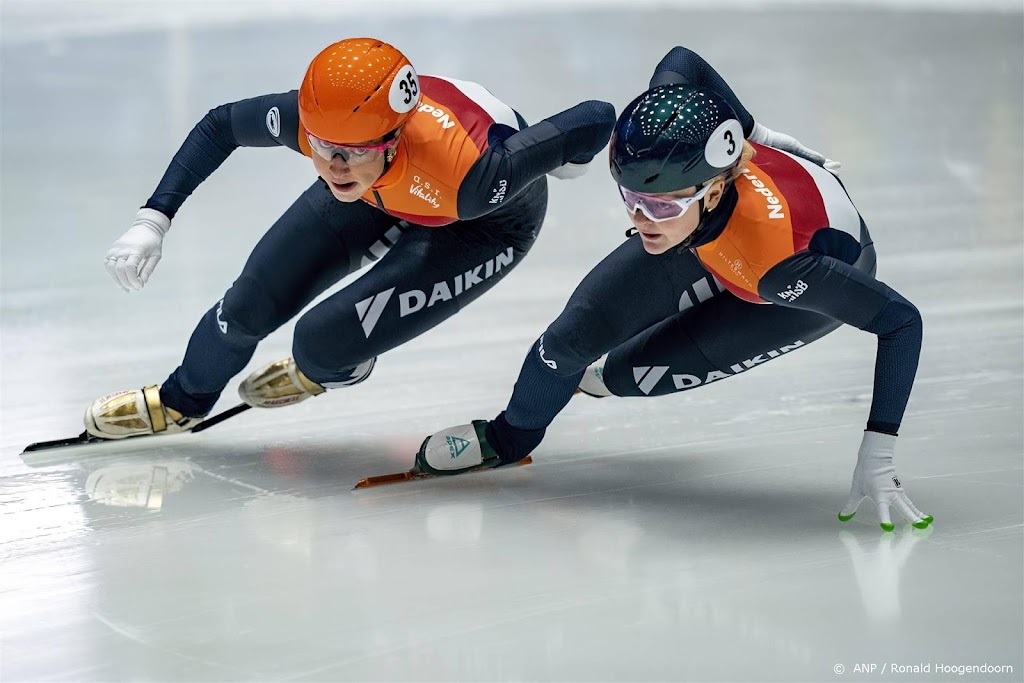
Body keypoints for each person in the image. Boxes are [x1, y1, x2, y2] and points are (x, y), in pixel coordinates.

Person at [416, 47, 932, 532]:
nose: (641, 219)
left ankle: (600, 379)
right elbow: (680, 62)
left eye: (660, 205)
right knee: (569, 343)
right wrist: (756, 132)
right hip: (707, 239)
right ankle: (509, 438)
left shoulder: (781, 262)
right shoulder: (682, 198)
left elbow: (901, 320)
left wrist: (878, 450)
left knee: (621, 376)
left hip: (782, 285)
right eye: (630, 198)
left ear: (714, 189)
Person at [84, 37, 615, 439]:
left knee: (320, 344)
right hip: (385, 192)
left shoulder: (471, 177)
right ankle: (184, 398)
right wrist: (153, 218)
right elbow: (221, 125)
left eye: (354, 150)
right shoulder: (318, 128)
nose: (335, 164)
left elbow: (595, 118)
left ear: (395, 135)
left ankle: (336, 366)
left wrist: (568, 161)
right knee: (247, 304)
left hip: (484, 223)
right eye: (321, 146)